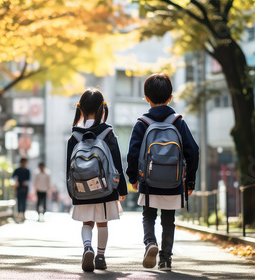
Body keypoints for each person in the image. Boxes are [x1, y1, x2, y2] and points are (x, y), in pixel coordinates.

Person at [126, 73, 199, 271]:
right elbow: (193, 151)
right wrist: (190, 181)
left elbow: (132, 153)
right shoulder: (178, 122)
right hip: (174, 181)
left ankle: (150, 243)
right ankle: (166, 259)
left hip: (148, 181)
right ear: (170, 97)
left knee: (148, 215)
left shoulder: (142, 123)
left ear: (146, 97)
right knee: (169, 219)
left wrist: (133, 177)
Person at [66, 88, 128, 272]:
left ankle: (87, 248)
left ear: (81, 110)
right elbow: (117, 163)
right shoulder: (107, 133)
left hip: (81, 188)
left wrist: (72, 191)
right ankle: (100, 257)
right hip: (105, 188)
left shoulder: (75, 135)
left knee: (87, 223)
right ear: (103, 109)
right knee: (102, 223)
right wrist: (121, 189)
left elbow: (68, 167)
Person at [12, 158, 31, 223]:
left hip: (25, 188)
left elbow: (28, 179)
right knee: (19, 200)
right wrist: (16, 181)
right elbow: (13, 177)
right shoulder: (17, 170)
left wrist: (26, 183)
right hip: (19, 188)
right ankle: (19, 213)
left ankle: (23, 214)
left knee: (24, 201)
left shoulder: (27, 170)